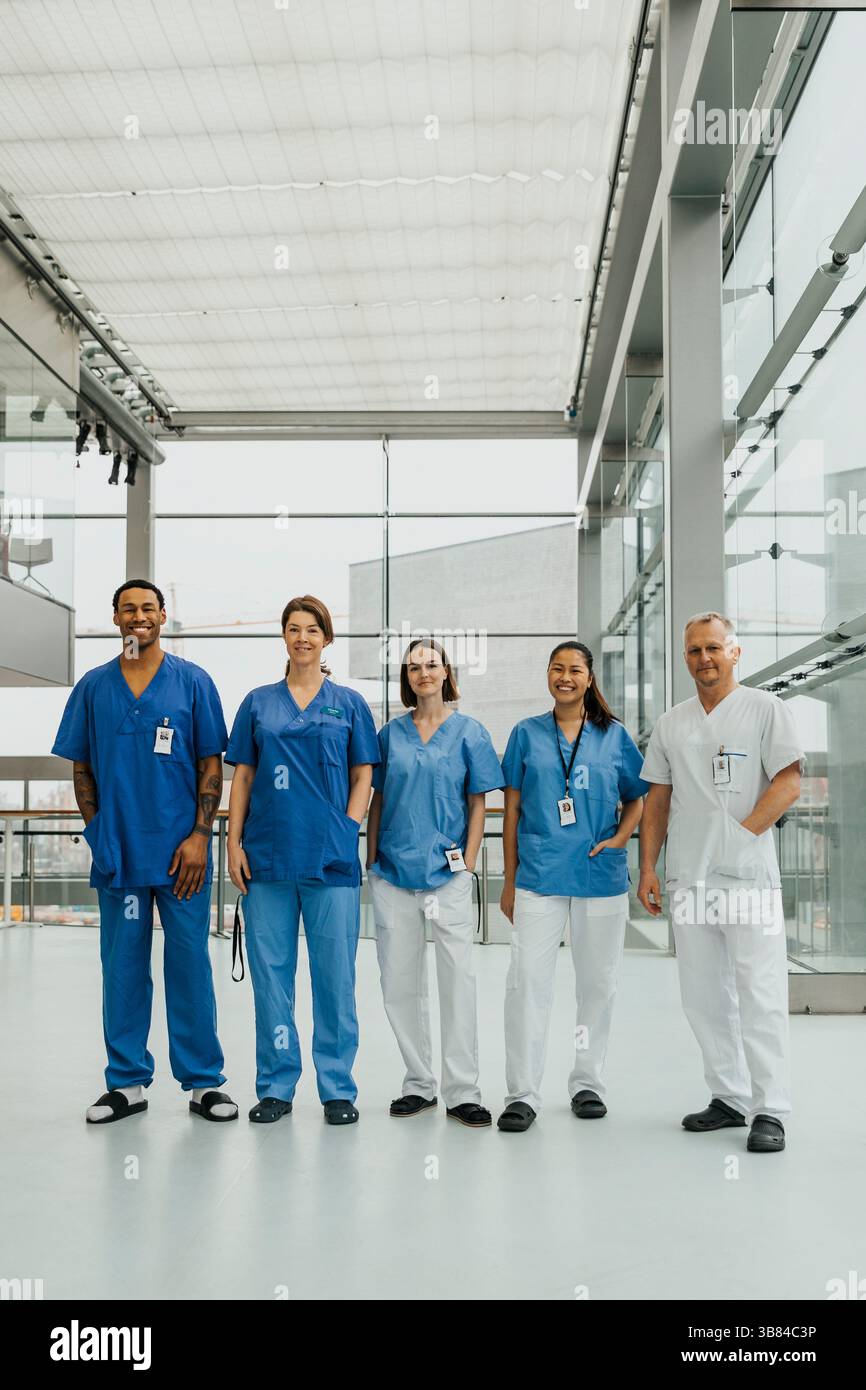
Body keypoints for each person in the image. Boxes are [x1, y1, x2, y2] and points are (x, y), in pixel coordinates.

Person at [52, 580, 237, 1125]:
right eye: (128, 608)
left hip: (184, 856)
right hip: (120, 855)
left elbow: (211, 764)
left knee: (189, 966)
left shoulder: (192, 683)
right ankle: (126, 1082)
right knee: (123, 967)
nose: (139, 616)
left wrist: (201, 836)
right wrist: (99, 831)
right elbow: (81, 767)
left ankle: (204, 1082)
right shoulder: (93, 688)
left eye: (148, 608)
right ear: (114, 618)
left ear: (163, 615)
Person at [637, 612, 803, 1154]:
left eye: (713, 648)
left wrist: (741, 837)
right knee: (703, 994)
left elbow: (789, 783)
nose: (703, 658)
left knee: (760, 990)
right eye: (693, 651)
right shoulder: (672, 723)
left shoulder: (765, 709)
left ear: (734, 652)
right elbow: (657, 800)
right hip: (689, 878)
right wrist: (648, 868)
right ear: (684, 658)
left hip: (749, 879)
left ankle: (770, 1107)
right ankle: (728, 1095)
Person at [226, 595, 379, 1125]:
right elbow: (243, 775)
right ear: (284, 637)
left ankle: (337, 1088)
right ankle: (276, 1085)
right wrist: (233, 842)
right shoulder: (258, 703)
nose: (302, 638)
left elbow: (364, 774)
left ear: (326, 638)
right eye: (293, 629)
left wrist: (348, 827)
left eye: (312, 629)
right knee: (271, 978)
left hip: (331, 859)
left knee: (335, 977)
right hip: (267, 856)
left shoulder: (349, 704)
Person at [497, 641, 649, 1132]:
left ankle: (587, 1082)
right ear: (548, 676)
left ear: (589, 678)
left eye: (575, 670)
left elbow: (636, 799)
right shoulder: (525, 734)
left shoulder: (614, 735)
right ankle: (522, 1092)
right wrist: (509, 879)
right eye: (557, 669)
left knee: (596, 985)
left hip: (598, 877)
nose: (565, 677)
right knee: (526, 984)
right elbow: (513, 810)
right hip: (539, 876)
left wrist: (621, 838)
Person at [366, 637, 504, 1127]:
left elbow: (477, 802)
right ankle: (419, 1083)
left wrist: (466, 862)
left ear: (447, 672)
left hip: (447, 876)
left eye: (431, 664)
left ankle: (462, 1089)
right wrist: (371, 860)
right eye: (413, 667)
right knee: (400, 984)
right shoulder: (390, 735)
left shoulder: (469, 731)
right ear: (406, 678)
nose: (423, 673)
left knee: (457, 981)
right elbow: (377, 800)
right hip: (393, 873)